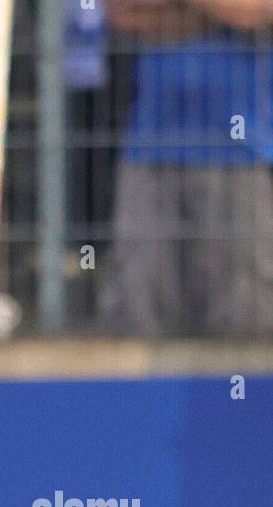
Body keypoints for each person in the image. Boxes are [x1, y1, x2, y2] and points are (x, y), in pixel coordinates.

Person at [104, 0, 273, 334]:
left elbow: (256, 13)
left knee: (244, 312)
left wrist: (179, 11)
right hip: (149, 149)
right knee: (138, 306)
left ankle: (234, 388)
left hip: (238, 151)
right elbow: (120, 13)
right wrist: (215, 15)